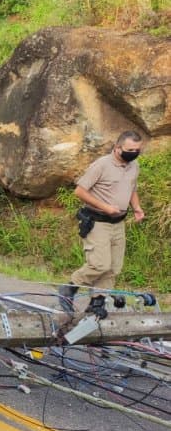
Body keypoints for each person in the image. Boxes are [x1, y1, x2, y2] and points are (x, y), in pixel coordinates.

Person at [58, 130, 145, 313]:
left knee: (113, 268)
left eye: (137, 149)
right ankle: (69, 287)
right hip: (98, 221)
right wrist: (105, 207)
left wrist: (136, 208)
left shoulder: (133, 165)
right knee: (99, 264)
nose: (134, 152)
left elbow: (132, 188)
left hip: (118, 222)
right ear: (117, 148)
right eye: (130, 149)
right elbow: (80, 191)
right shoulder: (102, 165)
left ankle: (96, 303)